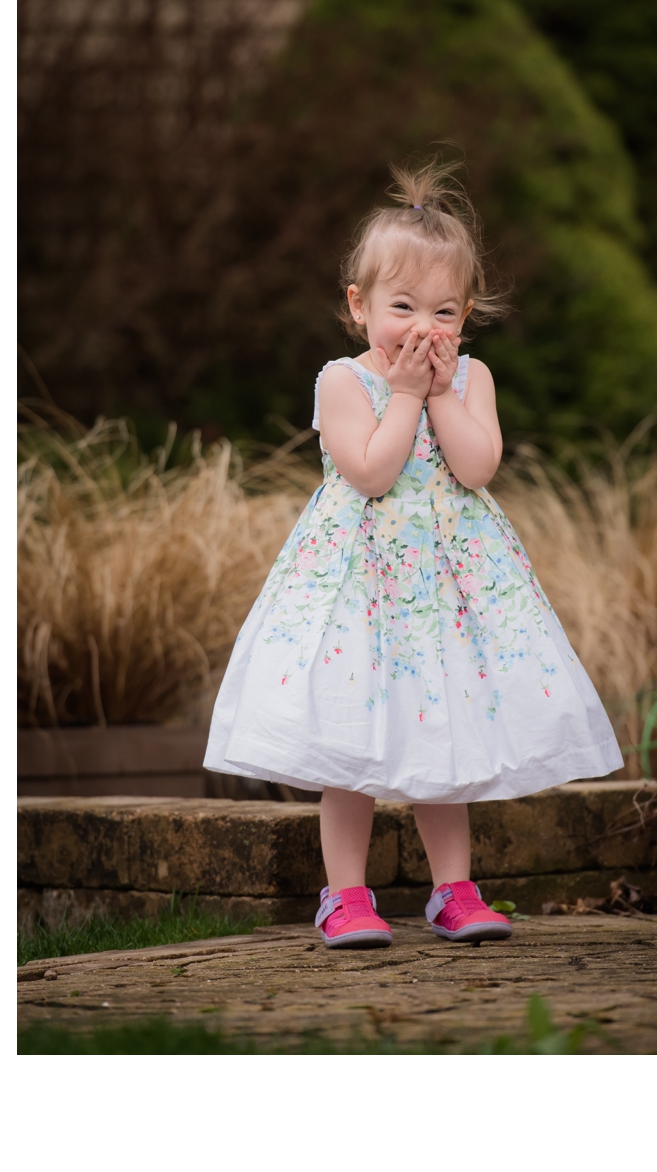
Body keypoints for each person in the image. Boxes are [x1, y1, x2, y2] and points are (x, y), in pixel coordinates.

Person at [204, 160, 623, 950]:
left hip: (450, 592)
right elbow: (368, 471)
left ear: (465, 314)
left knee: (449, 734)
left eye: (442, 310)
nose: (422, 328)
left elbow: (477, 466)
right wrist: (402, 394)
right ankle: (345, 894)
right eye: (403, 308)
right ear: (360, 306)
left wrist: (437, 394)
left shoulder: (471, 379)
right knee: (350, 747)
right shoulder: (343, 381)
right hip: (361, 590)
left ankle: (453, 890)